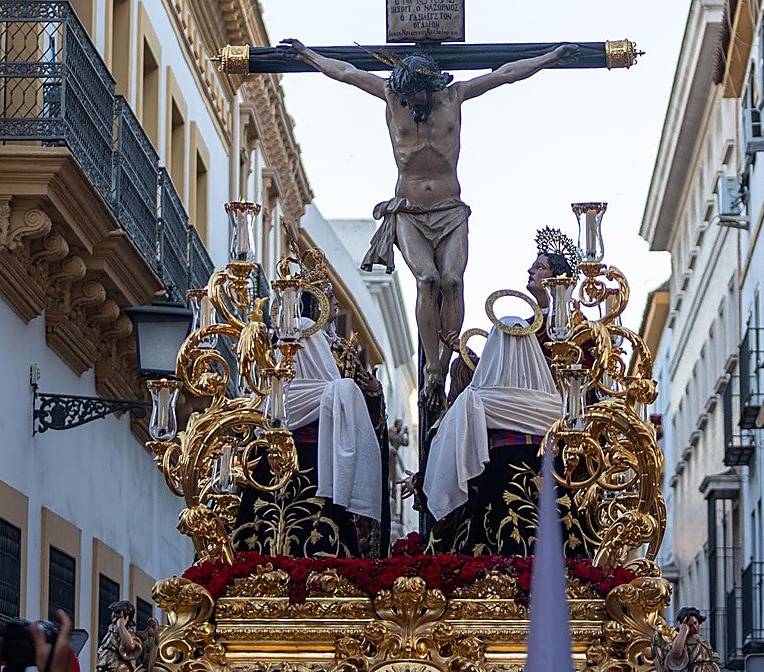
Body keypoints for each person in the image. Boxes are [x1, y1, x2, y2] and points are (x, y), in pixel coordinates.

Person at [279, 38, 579, 410]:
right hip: (409, 210)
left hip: (450, 210)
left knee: (452, 281)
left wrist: (549, 57)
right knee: (427, 279)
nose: (411, 105)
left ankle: (445, 361)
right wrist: (308, 54)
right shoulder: (393, 97)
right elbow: (346, 72)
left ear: (431, 86)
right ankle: (432, 367)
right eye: (406, 99)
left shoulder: (454, 97)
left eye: (417, 97)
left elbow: (505, 74)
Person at [423, 317, 589, 557]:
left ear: (493, 347)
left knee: (499, 552)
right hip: (548, 471)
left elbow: (450, 446)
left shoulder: (477, 397)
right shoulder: (555, 402)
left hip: (499, 475)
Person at [233, 296, 383, 558]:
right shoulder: (337, 391)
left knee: (261, 542)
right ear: (320, 353)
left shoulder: (272, 396)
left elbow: (257, 436)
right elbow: (357, 442)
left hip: (273, 471)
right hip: (320, 472)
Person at [651, 606, 722, 672]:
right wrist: (683, 630)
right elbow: (676, 653)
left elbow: (712, 662)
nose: (694, 627)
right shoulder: (682, 642)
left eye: (695, 623)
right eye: (690, 625)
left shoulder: (703, 641)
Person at [95, 601, 143, 672]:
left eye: (117, 612)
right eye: (113, 612)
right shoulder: (111, 629)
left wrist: (121, 626)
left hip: (117, 667)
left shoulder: (128, 632)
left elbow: (131, 646)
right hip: (104, 664)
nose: (114, 614)